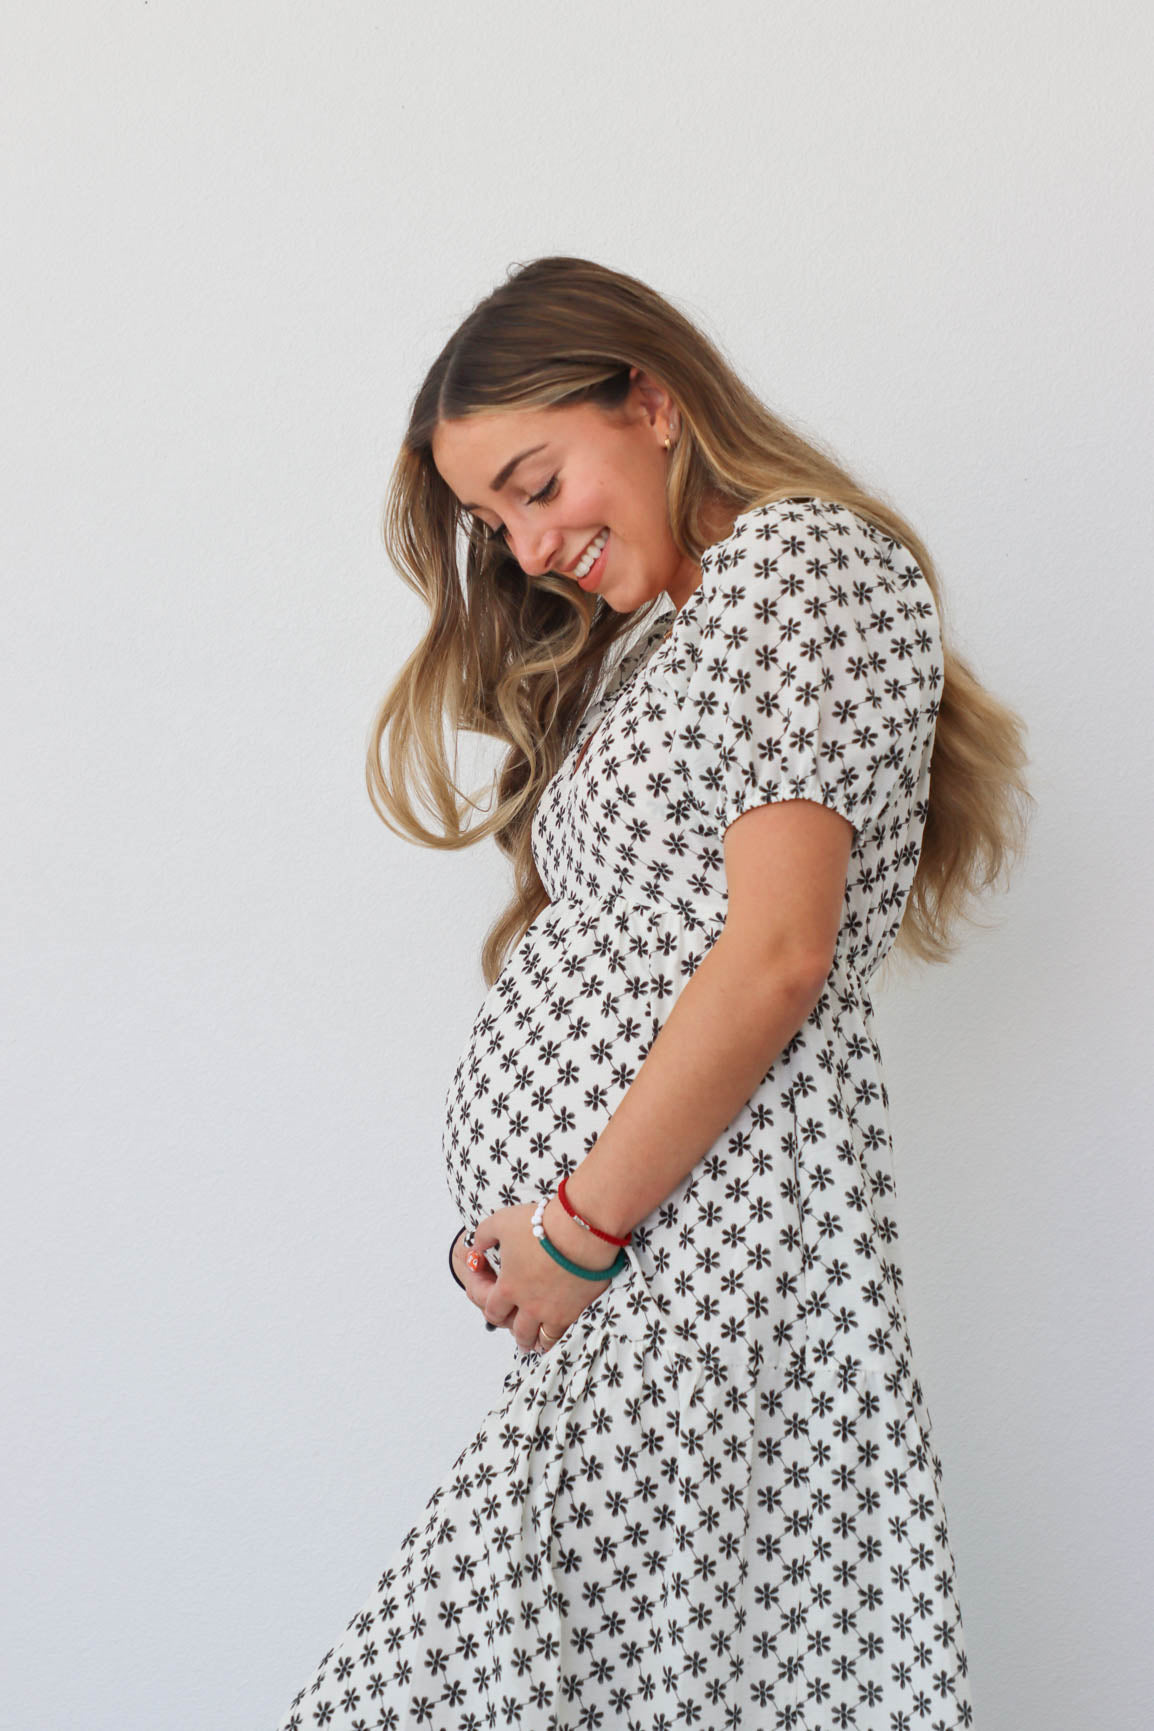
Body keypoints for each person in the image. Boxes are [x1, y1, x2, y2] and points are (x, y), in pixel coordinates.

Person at [275, 256, 1031, 1730]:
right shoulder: (656, 639)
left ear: (654, 400)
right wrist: (542, 1234)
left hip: (707, 1254)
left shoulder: (800, 564)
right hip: (647, 1266)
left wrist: (581, 1227)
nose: (529, 541)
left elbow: (776, 954)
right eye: (493, 521)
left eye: (537, 480)